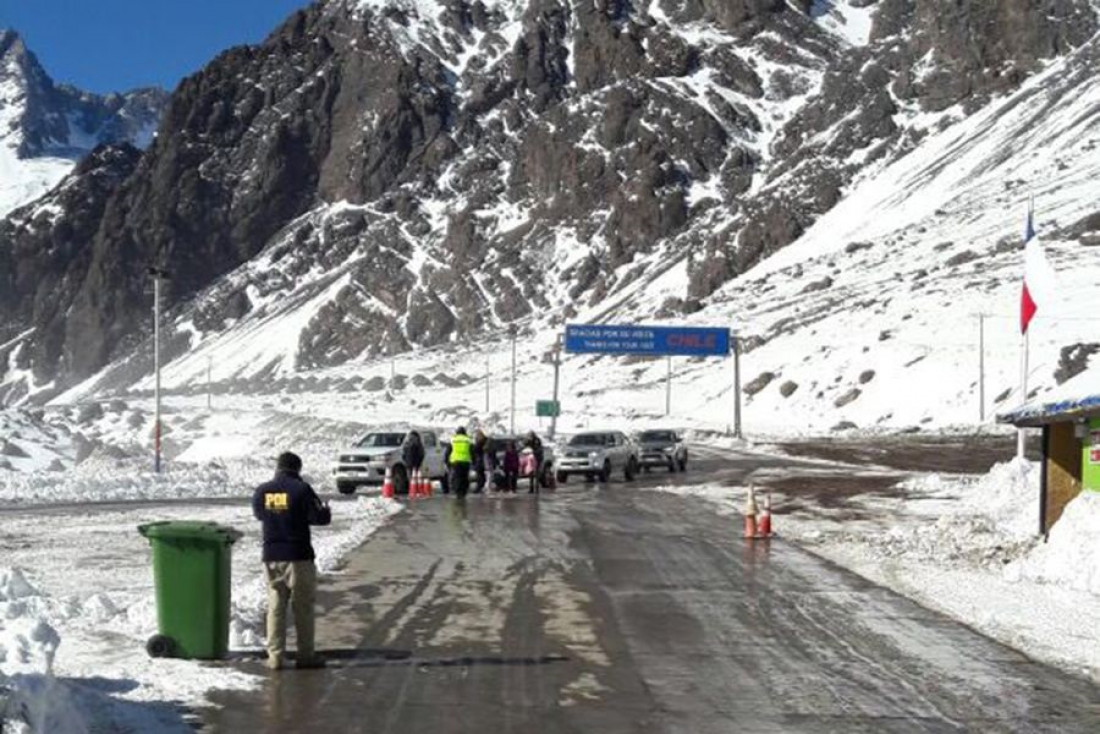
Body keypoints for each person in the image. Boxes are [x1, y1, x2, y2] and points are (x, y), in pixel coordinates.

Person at [252, 451, 331, 671]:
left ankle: (275, 656)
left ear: (278, 468)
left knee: (276, 605)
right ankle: (305, 655)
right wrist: (326, 512)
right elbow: (318, 517)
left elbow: (259, 514)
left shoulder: (262, 491)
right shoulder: (302, 489)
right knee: (302, 606)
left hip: (271, 555)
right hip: (298, 556)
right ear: (297, 469)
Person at [449, 427, 472, 498]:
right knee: (465, 477)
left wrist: (447, 461)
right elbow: (472, 451)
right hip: (466, 461)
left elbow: (448, 450)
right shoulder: (468, 440)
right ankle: (463, 491)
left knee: (457, 477)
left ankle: (458, 491)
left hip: (455, 461)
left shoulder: (453, 440)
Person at [472, 429, 489, 494]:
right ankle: (481, 486)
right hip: (484, 460)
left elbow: (475, 450)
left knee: (480, 475)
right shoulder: (486, 441)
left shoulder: (479, 443)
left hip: (480, 460)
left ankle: (479, 487)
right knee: (481, 475)